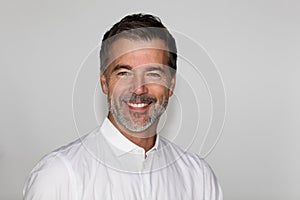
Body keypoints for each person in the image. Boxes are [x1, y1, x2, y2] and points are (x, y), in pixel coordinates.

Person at [23, 13, 223, 199]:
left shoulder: (199, 177)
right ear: (104, 82)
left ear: (171, 84)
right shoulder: (58, 176)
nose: (138, 89)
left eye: (153, 73)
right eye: (124, 73)